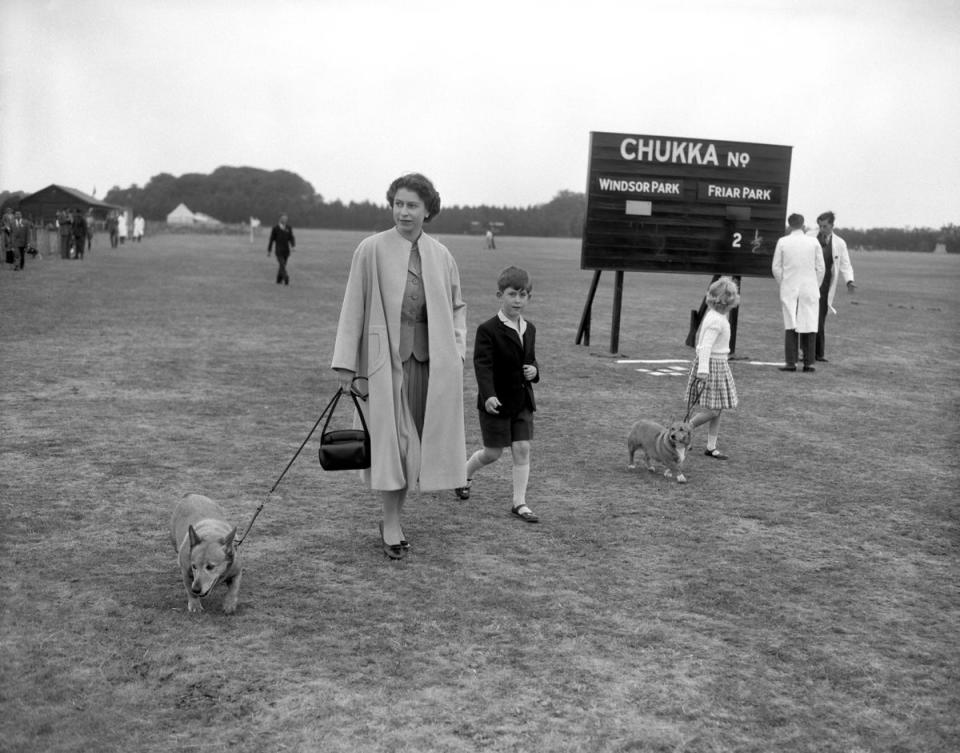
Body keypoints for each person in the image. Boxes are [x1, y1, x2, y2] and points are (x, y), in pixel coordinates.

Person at [331, 173, 467, 559]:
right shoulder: (370, 250)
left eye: (412, 205)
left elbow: (458, 308)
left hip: (431, 366)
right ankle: (391, 522)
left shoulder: (442, 256)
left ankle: (394, 517)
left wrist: (456, 351)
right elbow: (352, 306)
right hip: (381, 365)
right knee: (396, 444)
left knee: (418, 446)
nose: (403, 212)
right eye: (398, 204)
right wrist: (346, 364)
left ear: (428, 210)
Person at [455, 266, 541, 523]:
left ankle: (519, 503)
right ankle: (464, 475)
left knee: (522, 448)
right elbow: (483, 366)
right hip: (496, 402)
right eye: (512, 294)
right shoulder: (488, 329)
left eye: (523, 295)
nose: (518, 300)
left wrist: (534, 371)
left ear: (529, 298)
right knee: (493, 453)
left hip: (522, 401)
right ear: (499, 295)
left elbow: (532, 360)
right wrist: (488, 395)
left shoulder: (530, 329)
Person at [685, 276, 740, 459]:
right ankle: (686, 429)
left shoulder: (717, 316)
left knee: (719, 408)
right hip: (711, 366)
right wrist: (703, 370)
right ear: (728, 301)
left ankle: (711, 446)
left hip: (719, 364)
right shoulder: (717, 320)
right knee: (713, 410)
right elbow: (706, 346)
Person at [772, 213, 824, 372]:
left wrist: (785, 283)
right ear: (803, 224)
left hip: (790, 287)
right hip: (810, 287)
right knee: (809, 324)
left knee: (791, 324)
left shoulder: (783, 242)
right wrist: (815, 284)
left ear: (789, 224)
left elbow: (776, 268)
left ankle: (791, 362)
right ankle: (809, 363)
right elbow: (821, 268)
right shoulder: (813, 241)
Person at [811, 211, 856, 362]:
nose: (822, 229)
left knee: (820, 319)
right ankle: (807, 352)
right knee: (807, 317)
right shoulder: (809, 236)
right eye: (820, 226)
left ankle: (818, 354)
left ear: (832, 225)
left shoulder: (840, 243)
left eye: (825, 226)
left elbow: (845, 264)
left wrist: (849, 281)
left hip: (825, 285)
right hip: (809, 282)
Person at [266, 213, 295, 285]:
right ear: (280, 220)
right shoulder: (275, 228)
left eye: (286, 219)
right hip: (278, 250)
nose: (285, 220)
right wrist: (269, 250)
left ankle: (278, 280)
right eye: (284, 219)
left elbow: (291, 238)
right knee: (282, 264)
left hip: (286, 251)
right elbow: (271, 240)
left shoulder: (289, 228)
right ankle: (286, 277)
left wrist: (293, 246)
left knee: (283, 265)